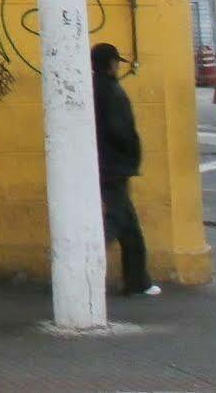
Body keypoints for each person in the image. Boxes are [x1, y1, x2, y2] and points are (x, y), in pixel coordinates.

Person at [91, 42, 159, 296]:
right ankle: (83, 264)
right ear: (110, 64)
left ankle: (138, 281)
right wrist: (130, 155)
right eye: (116, 61)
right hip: (115, 166)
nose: (118, 66)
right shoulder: (112, 92)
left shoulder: (90, 89)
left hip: (104, 164)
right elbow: (121, 131)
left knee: (129, 228)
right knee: (116, 221)